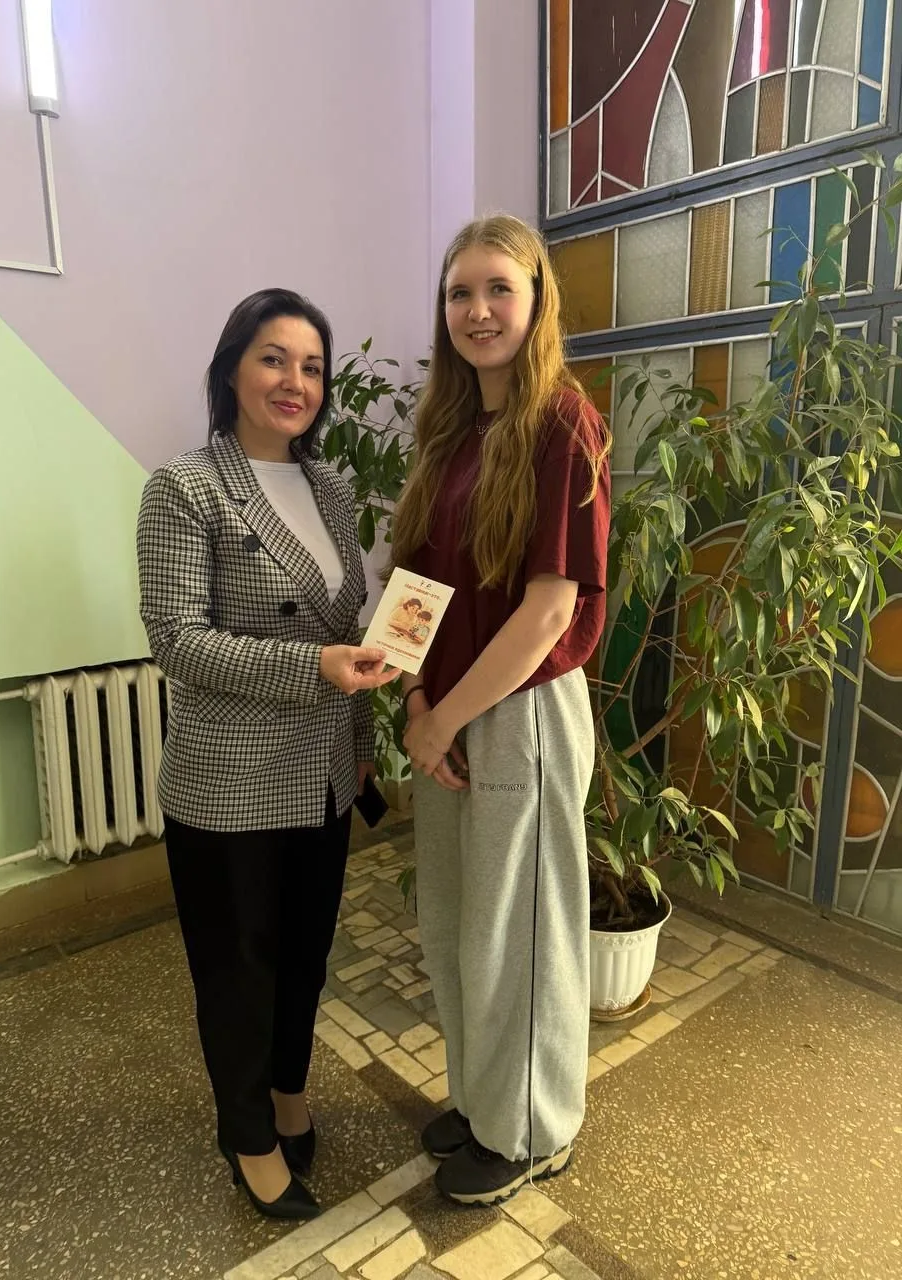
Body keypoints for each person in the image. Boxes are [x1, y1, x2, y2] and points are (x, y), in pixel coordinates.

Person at [136, 288, 398, 1222]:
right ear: (232, 368)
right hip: (228, 782)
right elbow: (178, 641)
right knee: (237, 970)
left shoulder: (331, 488)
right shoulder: (184, 487)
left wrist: (359, 745)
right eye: (274, 358)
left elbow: (346, 631)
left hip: (321, 770)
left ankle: (289, 1089)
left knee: (305, 955)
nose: (297, 382)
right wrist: (313, 668)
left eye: (313, 367)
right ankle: (248, 1135)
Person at [391, 215, 611, 1206]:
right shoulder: (450, 433)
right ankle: (485, 1097)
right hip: (446, 707)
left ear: (535, 300)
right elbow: (415, 584)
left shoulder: (564, 422)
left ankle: (530, 1130)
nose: (476, 310)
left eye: (497, 289)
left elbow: (549, 610)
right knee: (456, 920)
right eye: (459, 293)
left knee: (519, 931)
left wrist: (446, 718)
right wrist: (415, 695)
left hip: (520, 707)